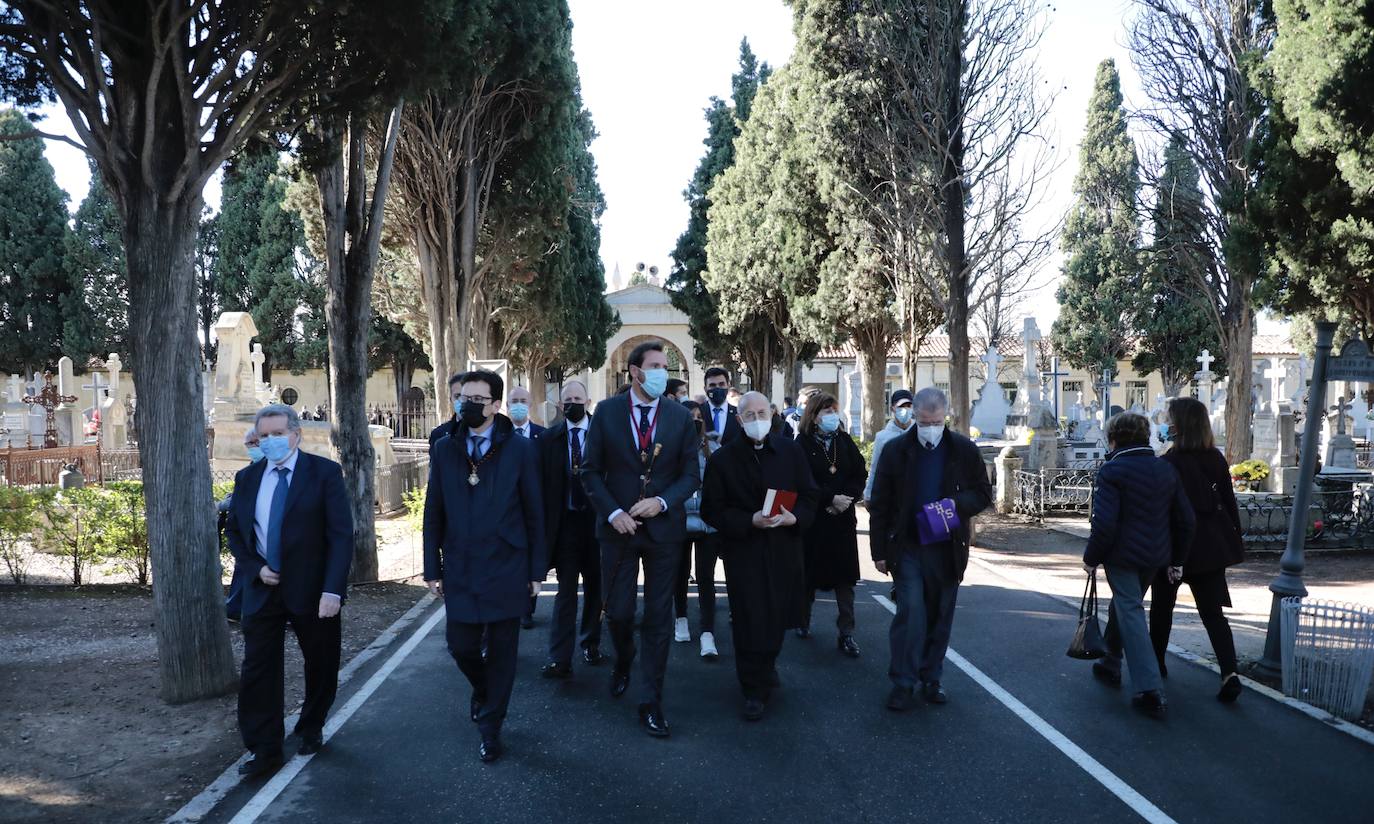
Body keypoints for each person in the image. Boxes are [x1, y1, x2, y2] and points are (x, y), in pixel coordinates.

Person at [580, 340, 701, 738]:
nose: (662, 373)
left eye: (665, 366)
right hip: (618, 531)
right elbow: (590, 471)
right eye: (654, 366)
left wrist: (663, 503)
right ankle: (623, 659)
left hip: (664, 532)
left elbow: (690, 476)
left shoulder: (680, 416)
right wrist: (613, 512)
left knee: (658, 616)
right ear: (634, 371)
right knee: (618, 612)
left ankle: (651, 700)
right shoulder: (607, 413)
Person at [423, 370, 546, 762]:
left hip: (508, 563)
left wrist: (536, 572)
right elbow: (433, 513)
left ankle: (491, 727)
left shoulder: (521, 450)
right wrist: (432, 567)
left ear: (496, 406)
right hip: (460, 563)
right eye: (463, 398)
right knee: (460, 646)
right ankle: (483, 689)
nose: (468, 405)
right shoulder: (445, 448)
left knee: (504, 652)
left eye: (478, 399)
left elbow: (535, 513)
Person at [226, 404, 353, 778]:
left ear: (296, 434)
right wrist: (256, 568)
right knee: (258, 670)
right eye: (263, 436)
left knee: (321, 662)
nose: (271, 442)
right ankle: (264, 749)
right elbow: (235, 532)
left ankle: (311, 726)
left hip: (314, 591)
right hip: (263, 588)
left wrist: (333, 590)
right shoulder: (247, 479)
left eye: (278, 434)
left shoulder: (324, 473)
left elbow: (341, 535)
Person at [870, 388, 992, 711]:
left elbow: (982, 493)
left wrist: (954, 505)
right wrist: (878, 551)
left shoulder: (963, 450)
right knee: (911, 611)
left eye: (936, 422)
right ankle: (903, 681)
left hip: (947, 546)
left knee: (940, 614)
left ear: (945, 418)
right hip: (908, 546)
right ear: (915, 419)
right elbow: (880, 503)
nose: (930, 427)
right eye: (924, 421)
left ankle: (931, 675)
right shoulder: (897, 450)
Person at [702, 391, 818, 720]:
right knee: (750, 619)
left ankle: (766, 666)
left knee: (778, 616)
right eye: (749, 415)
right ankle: (752, 686)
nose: (757, 420)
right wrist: (748, 520)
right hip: (745, 551)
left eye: (762, 413)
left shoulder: (790, 451)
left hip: (784, 548)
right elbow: (712, 509)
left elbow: (810, 494)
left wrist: (796, 518)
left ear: (772, 415)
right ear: (739, 420)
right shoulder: (722, 459)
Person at [1084, 411, 1196, 717]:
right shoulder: (1164, 469)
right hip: (1155, 556)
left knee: (1130, 610)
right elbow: (1185, 520)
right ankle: (1110, 662)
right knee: (1125, 604)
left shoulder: (1113, 470)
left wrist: (1091, 558)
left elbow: (1104, 524)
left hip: (1121, 556)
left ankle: (1149, 689)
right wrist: (1177, 560)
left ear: (1114, 438)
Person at [1151, 397, 1244, 702]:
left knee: (1162, 609)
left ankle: (1157, 665)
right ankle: (1229, 672)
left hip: (1173, 550)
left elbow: (1162, 510)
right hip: (1209, 549)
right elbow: (1229, 506)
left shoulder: (1166, 464)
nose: (1166, 423)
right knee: (1213, 614)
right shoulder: (1216, 459)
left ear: (1179, 426)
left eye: (1170, 419)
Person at [539, 381, 606, 679]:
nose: (573, 404)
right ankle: (559, 657)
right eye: (568, 400)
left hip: (597, 524)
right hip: (565, 525)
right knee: (565, 592)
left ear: (588, 401)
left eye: (578, 398)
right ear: (560, 404)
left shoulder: (603, 435)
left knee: (595, 588)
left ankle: (590, 642)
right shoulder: (548, 439)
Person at [794, 392, 866, 656]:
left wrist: (848, 498)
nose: (832, 416)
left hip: (842, 519)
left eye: (834, 411)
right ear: (813, 417)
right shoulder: (801, 444)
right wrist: (828, 498)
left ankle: (846, 632)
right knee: (808, 575)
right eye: (826, 412)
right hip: (815, 520)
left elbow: (860, 472)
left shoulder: (843, 440)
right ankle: (802, 620)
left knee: (845, 579)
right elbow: (801, 480)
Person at [677, 401, 724, 659]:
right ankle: (681, 617)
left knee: (706, 577)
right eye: (689, 416)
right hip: (680, 522)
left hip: (708, 523)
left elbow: (719, 487)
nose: (694, 421)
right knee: (679, 574)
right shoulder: (671, 449)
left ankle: (708, 632)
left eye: (698, 417)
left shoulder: (713, 449)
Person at [507, 384, 545, 628]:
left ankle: (527, 608)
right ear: (507, 406)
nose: (518, 405)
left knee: (531, 557)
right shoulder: (500, 435)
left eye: (523, 400)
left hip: (533, 507)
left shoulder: (543, 436)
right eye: (514, 401)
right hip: (508, 509)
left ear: (530, 404)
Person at [223, 426, 265, 622]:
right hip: (247, 532)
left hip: (259, 531)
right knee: (244, 569)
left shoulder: (268, 466)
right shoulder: (251, 467)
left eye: (250, 444)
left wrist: (223, 504)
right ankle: (235, 607)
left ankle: (236, 608)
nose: (249, 448)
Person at [864, 389, 915, 505]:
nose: (905, 410)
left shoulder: (921, 433)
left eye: (908, 406)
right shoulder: (882, 437)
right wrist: (868, 494)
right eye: (901, 406)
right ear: (893, 408)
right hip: (892, 495)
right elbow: (875, 466)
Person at [703, 366, 742, 445]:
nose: (717, 388)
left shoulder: (739, 414)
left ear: (728, 386)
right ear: (705, 389)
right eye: (712, 385)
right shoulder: (698, 413)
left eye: (721, 384)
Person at [428, 373, 463, 456]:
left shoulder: (490, 433)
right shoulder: (439, 434)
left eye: (467, 396)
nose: (462, 400)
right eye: (457, 396)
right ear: (451, 399)